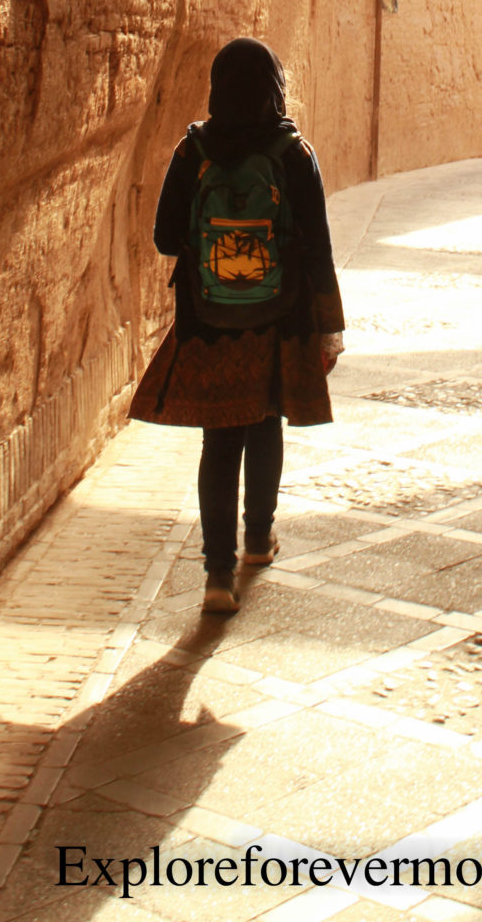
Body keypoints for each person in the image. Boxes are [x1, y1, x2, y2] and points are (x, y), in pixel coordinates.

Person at [128, 37, 345, 613]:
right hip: (279, 318)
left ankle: (216, 576)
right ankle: (258, 540)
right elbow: (318, 246)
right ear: (274, 85)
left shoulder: (192, 150)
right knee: (264, 421)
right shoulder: (295, 154)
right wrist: (330, 327)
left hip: (208, 321)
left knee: (219, 440)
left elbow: (164, 238)